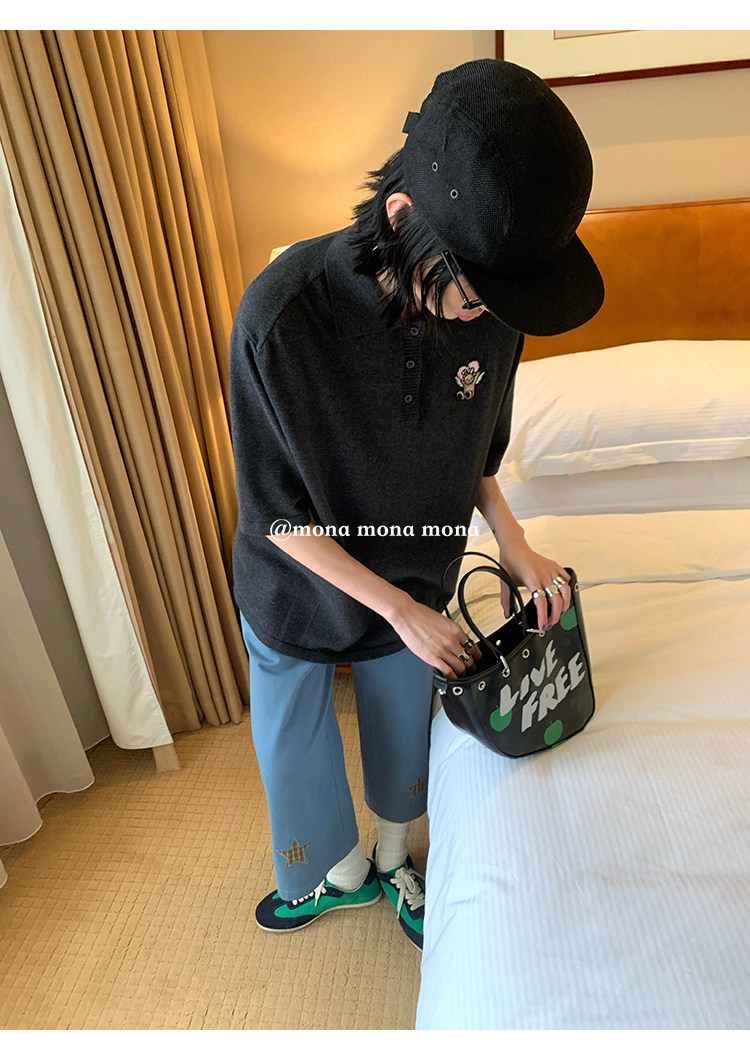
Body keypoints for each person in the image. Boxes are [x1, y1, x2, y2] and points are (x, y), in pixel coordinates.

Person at [229, 58, 604, 950]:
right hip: (296, 582)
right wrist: (395, 610)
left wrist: (514, 542)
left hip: (418, 569)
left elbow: (477, 454)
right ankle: (333, 874)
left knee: (406, 726)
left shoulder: (497, 306)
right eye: (472, 295)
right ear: (402, 220)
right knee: (292, 739)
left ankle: (396, 859)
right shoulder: (280, 320)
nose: (484, 317)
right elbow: (278, 513)